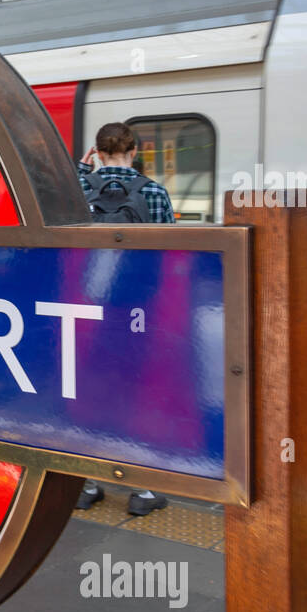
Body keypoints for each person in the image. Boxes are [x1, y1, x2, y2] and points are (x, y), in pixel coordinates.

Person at [76, 123, 175, 517]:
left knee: (91, 390)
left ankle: (87, 483)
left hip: (88, 308)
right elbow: (168, 251)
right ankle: (143, 491)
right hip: (138, 310)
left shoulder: (81, 191)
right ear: (134, 152)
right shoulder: (153, 192)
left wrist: (81, 174)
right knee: (136, 393)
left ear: (96, 152)